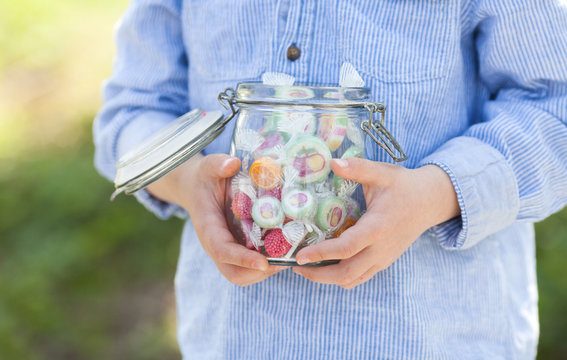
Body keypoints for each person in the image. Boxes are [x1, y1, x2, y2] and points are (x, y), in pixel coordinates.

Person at [94, 0, 567, 358]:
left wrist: (435, 193)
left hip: (436, 338)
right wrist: (185, 179)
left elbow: (554, 108)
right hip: (235, 339)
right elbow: (132, 109)